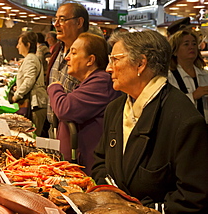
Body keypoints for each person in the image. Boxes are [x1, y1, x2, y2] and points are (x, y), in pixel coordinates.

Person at [92, 30, 208, 213]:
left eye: (115, 59)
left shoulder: (185, 120)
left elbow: (192, 195)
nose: (108, 68)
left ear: (140, 64)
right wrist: (113, 199)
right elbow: (100, 161)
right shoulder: (114, 109)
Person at [47, 32, 119, 175]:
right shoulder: (88, 82)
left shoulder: (101, 82)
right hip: (76, 168)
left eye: (73, 53)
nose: (67, 58)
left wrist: (54, 87)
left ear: (90, 60)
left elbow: (64, 109)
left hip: (89, 172)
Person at [46, 1, 90, 138]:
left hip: (75, 134)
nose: (56, 24)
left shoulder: (89, 55)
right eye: (56, 19)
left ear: (79, 22)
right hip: (53, 129)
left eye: (63, 19)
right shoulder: (58, 50)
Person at [168, 29, 208, 123]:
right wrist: (193, 96)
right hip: (182, 129)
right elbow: (168, 106)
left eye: (194, 44)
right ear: (175, 51)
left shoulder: (205, 75)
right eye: (186, 44)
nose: (191, 47)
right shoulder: (169, 77)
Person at [13, 31, 48, 136]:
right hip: (35, 104)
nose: (17, 46)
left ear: (27, 45)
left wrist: (17, 95)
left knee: (32, 137)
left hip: (36, 105)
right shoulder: (31, 58)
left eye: (19, 43)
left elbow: (30, 80)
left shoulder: (30, 59)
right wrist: (18, 87)